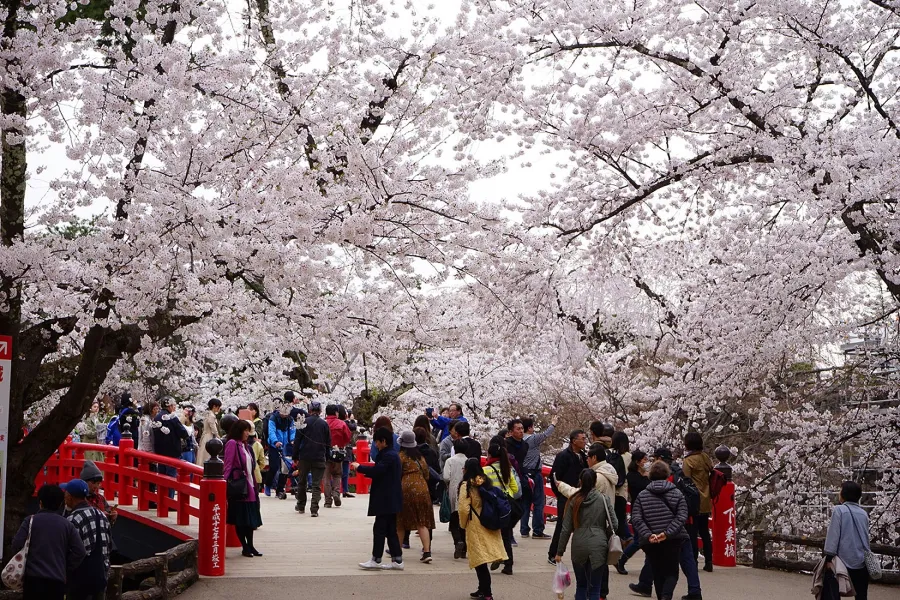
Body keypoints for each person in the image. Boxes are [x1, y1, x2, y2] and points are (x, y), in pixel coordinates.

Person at [630, 448, 702, 600]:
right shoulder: (676, 493)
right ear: (667, 474)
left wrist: (649, 535)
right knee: (671, 572)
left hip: (651, 540)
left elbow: (636, 518)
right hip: (673, 539)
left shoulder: (643, 495)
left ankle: (660, 595)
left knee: (657, 572)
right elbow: (682, 515)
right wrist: (667, 533)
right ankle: (666, 596)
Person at [10, 484, 86, 600]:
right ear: (61, 503)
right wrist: (65, 566)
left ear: (40, 502)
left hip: (33, 579)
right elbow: (80, 551)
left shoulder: (30, 521)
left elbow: (16, 544)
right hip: (57, 581)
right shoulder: (67, 525)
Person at [555, 468, 618, 600]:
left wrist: (559, 552)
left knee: (581, 586)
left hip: (579, 544)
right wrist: (602, 533)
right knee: (595, 588)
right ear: (595, 481)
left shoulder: (574, 501)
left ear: (580, 481)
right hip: (599, 545)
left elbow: (566, 529)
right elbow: (615, 523)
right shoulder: (603, 499)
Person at [354, 427, 404, 571]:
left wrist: (360, 468)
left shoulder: (389, 455)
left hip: (386, 498)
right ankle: (397, 559)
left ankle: (376, 559)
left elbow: (378, 470)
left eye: (377, 442)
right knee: (389, 530)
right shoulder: (391, 454)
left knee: (380, 529)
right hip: (390, 498)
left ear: (383, 441)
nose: (376, 445)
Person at [458, 458, 507, 600]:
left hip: (475, 524)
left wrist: (462, 524)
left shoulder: (466, 485)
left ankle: (487, 593)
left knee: (480, 561)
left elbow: (463, 508)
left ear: (466, 469)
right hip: (489, 520)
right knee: (484, 556)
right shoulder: (484, 481)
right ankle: (481, 589)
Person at [62, 479, 112, 600]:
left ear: (69, 497)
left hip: (80, 582)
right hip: (100, 576)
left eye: (65, 494)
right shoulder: (101, 515)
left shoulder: (72, 520)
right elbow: (109, 545)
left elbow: (71, 551)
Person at [824, 481, 872, 600]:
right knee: (861, 596)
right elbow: (865, 537)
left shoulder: (839, 510)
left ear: (844, 494)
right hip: (861, 561)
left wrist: (829, 558)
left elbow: (833, 535)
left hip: (842, 561)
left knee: (831, 592)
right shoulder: (863, 514)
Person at [223, 419, 263, 557]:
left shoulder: (247, 446)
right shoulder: (232, 444)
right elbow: (228, 464)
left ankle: (250, 546)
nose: (247, 433)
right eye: (245, 430)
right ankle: (245, 546)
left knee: (249, 518)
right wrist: (224, 482)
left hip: (249, 484)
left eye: (248, 430)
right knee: (241, 518)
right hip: (239, 485)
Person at [549, 429, 588, 565]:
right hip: (565, 495)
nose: (584, 441)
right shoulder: (563, 456)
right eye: (582, 438)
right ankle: (553, 554)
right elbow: (554, 477)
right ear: (573, 441)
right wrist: (560, 494)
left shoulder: (583, 456)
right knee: (562, 525)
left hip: (579, 494)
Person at [397, 430, 435, 562]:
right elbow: (427, 474)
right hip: (422, 489)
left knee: (400, 522)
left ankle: (398, 551)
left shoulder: (400, 456)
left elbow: (396, 474)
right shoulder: (420, 457)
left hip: (406, 489)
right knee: (422, 522)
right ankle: (427, 552)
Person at [484, 436, 519, 574]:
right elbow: (515, 489)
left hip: (492, 506)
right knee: (506, 535)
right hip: (506, 506)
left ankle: (496, 556)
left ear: (490, 454)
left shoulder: (486, 470)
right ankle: (508, 565)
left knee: (492, 533)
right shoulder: (507, 469)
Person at [682, 432, 714, 572]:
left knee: (692, 533)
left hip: (693, 501)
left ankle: (693, 561)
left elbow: (685, 481)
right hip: (706, 499)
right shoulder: (705, 457)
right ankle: (709, 561)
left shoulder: (688, 461)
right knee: (705, 532)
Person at [520, 415, 557, 539]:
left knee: (525, 502)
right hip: (534, 473)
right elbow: (546, 434)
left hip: (524, 473)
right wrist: (553, 423)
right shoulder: (533, 439)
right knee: (539, 502)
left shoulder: (519, 440)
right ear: (530, 428)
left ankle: (524, 530)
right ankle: (537, 530)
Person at [292, 400, 331, 516]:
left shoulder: (303, 422)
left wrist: (295, 455)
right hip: (319, 456)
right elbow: (328, 442)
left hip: (304, 456)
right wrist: (327, 456)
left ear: (309, 410)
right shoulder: (324, 424)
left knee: (302, 482)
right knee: (316, 484)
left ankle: (301, 505)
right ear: (320, 411)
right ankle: (314, 509)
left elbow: (297, 440)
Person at [616, 450, 649, 575]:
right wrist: (646, 477)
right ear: (637, 462)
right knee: (639, 540)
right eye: (644, 459)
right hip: (638, 509)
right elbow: (644, 486)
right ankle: (622, 560)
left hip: (646, 509)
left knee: (642, 539)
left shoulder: (641, 475)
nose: (646, 462)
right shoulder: (632, 476)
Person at [153, 397, 190, 499]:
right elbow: (183, 433)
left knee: (161, 476)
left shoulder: (157, 418)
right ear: (169, 406)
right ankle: (169, 500)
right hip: (172, 451)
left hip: (160, 452)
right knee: (170, 476)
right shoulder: (172, 417)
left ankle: (160, 499)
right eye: (173, 405)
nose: (174, 408)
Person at [443, 437, 470, 559]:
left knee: (454, 520)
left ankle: (457, 541)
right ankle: (464, 548)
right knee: (464, 521)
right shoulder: (469, 461)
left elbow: (446, 477)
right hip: (466, 491)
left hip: (453, 491)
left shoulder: (450, 461)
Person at [324, 404, 352, 507]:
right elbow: (348, 437)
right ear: (336, 413)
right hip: (337, 452)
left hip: (325, 452)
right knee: (337, 474)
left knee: (326, 477)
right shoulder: (342, 424)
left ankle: (327, 501)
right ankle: (336, 493)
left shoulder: (323, 424)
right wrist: (341, 445)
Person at [265, 401, 295, 498]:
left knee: (285, 468)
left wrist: (293, 440)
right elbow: (271, 431)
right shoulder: (273, 418)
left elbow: (292, 430)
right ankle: (268, 484)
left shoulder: (290, 419)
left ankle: (280, 489)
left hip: (285, 445)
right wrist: (275, 441)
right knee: (274, 467)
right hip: (274, 445)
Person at [610, 431, 632, 542]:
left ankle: (617, 540)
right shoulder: (629, 457)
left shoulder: (610, 455)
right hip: (623, 491)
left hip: (611, 490)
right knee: (621, 516)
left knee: (613, 518)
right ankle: (625, 539)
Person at [196, 398, 223, 465]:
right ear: (214, 406)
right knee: (207, 455)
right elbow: (214, 429)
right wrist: (219, 437)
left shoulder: (208, 414)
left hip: (206, 436)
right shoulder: (211, 416)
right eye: (218, 407)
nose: (219, 409)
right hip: (209, 437)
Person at [339, 405, 358, 498]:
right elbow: (354, 427)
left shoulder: (334, 423)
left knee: (335, 471)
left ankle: (335, 490)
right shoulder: (346, 423)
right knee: (345, 471)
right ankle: (345, 490)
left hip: (336, 448)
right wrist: (352, 420)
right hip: (346, 449)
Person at [246, 420, 266, 492]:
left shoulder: (239, 444)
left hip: (243, 476)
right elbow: (262, 462)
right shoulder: (258, 445)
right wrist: (258, 468)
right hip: (256, 473)